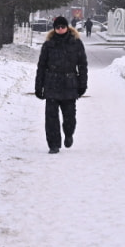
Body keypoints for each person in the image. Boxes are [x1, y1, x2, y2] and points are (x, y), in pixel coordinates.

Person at [34, 16, 88, 154]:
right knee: (51, 117)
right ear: (54, 28)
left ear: (67, 27)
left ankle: (69, 134)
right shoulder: (48, 44)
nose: (60, 29)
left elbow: (82, 65)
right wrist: (38, 86)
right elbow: (41, 66)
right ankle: (54, 144)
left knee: (69, 116)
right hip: (52, 83)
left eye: (62, 27)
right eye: (57, 27)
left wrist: (82, 85)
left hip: (70, 84)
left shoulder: (76, 43)